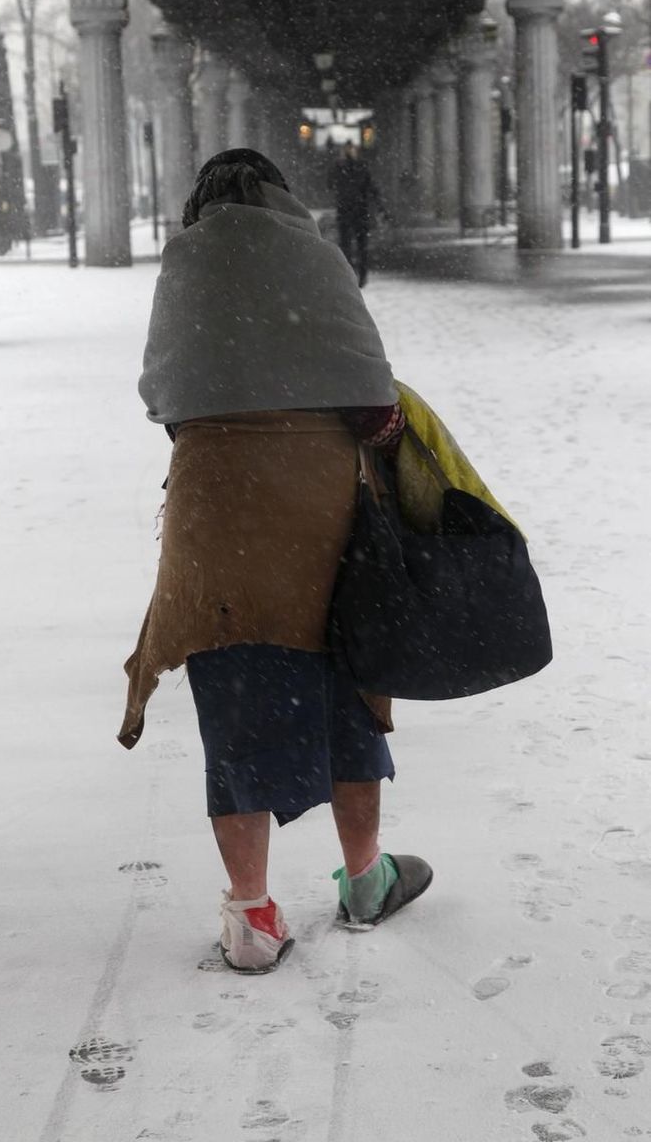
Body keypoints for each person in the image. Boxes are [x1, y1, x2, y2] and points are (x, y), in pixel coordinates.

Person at [117, 148, 432, 974]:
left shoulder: (184, 269)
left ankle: (252, 918)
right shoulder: (316, 259)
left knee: (235, 699)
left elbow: (163, 399)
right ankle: (366, 881)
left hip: (214, 519)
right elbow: (375, 407)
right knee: (346, 686)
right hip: (320, 516)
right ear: (283, 198)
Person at [328, 141, 383, 288]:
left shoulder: (343, 167)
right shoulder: (355, 167)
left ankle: (354, 274)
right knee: (357, 245)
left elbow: (330, 184)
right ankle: (358, 274)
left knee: (352, 245)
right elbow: (372, 188)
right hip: (356, 210)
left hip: (352, 210)